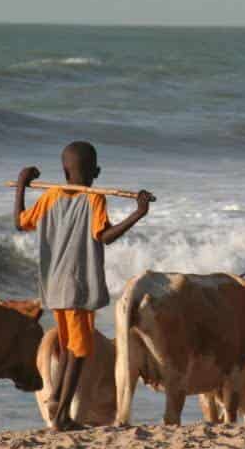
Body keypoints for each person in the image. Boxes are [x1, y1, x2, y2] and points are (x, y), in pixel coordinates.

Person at [14, 141, 152, 431]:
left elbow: (20, 222)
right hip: (78, 286)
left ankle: (57, 403)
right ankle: (63, 417)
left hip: (53, 285)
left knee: (68, 347)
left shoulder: (49, 196)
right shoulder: (94, 200)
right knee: (78, 351)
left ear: (64, 170)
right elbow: (104, 236)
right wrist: (138, 213)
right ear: (96, 171)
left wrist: (21, 186)